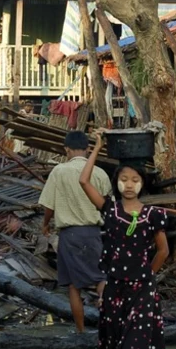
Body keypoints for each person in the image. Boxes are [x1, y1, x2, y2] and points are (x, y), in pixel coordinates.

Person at [79, 132, 169, 349]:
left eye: (135, 180)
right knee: (119, 340)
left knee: (133, 343)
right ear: (117, 182)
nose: (129, 185)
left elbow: (163, 251)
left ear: (143, 184)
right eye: (124, 180)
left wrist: (147, 277)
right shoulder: (110, 209)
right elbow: (83, 180)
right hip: (115, 289)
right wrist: (96, 148)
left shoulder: (153, 214)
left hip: (141, 289)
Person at [39, 131, 111, 333]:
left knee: (73, 286)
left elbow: (49, 206)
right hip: (94, 232)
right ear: (88, 149)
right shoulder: (99, 173)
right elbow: (105, 203)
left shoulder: (59, 171)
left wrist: (45, 224)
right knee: (101, 277)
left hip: (69, 235)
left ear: (67, 150)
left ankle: (80, 332)